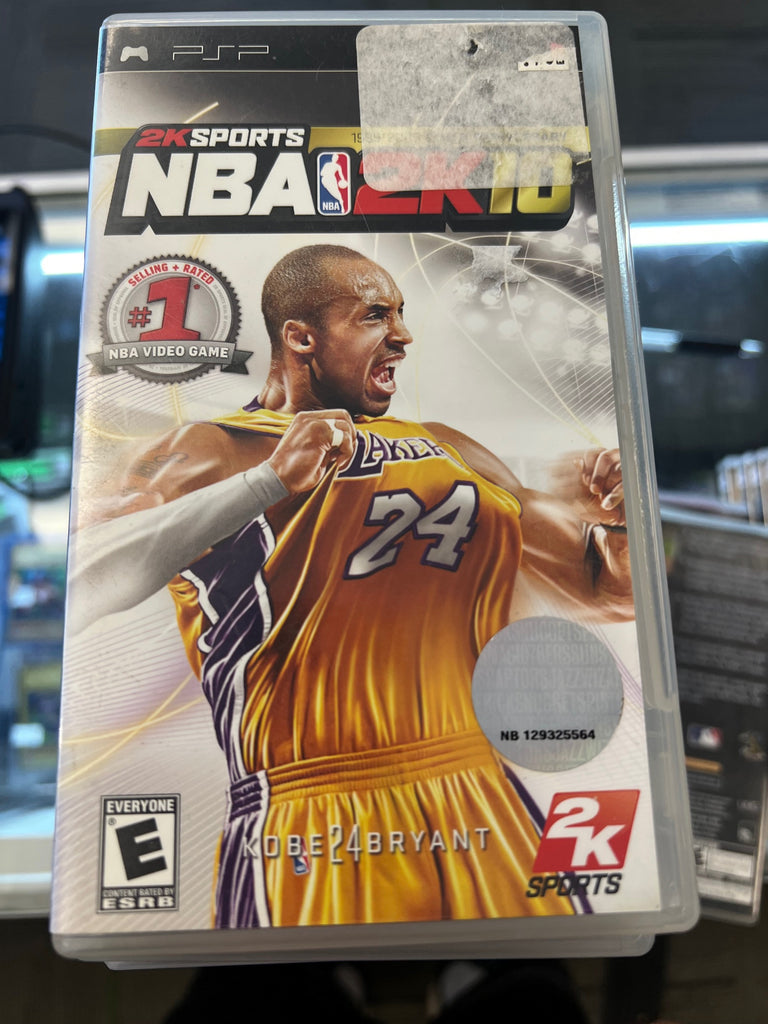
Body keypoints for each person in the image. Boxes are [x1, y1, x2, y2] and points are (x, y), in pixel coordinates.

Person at [71, 244, 632, 930]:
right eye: (375, 315)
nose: (402, 334)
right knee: (302, 981)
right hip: (314, 816)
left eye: (400, 313)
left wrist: (620, 516)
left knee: (529, 973)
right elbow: (84, 582)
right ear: (301, 338)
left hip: (483, 794)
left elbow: (611, 594)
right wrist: (267, 483)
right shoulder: (217, 448)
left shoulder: (449, 445)